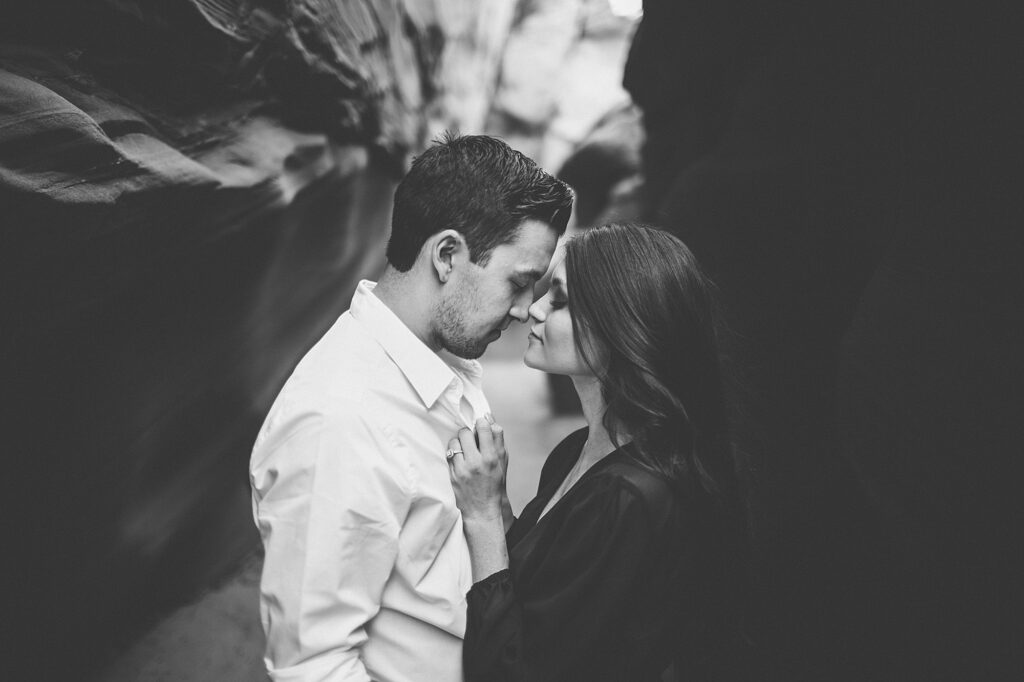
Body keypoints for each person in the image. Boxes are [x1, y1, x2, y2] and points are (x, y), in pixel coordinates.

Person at [249, 133, 573, 682]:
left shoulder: (445, 365)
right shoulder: (338, 422)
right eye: (518, 284)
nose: (525, 311)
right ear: (447, 255)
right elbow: (313, 667)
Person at [446, 223, 750, 681]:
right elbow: (539, 586)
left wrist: (484, 515)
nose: (533, 310)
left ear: (620, 326)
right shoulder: (577, 450)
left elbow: (516, 669)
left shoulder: (629, 497)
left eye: (561, 301)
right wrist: (501, 503)